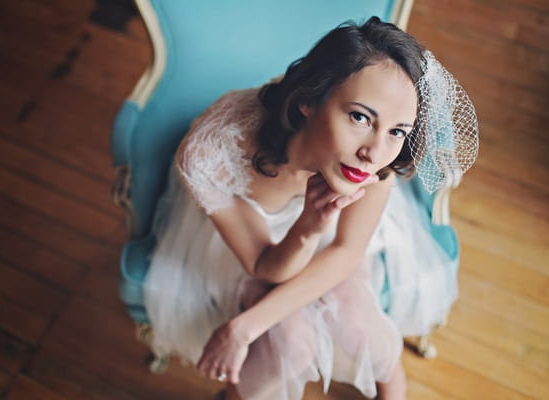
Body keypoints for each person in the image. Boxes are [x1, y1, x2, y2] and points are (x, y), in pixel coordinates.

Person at [144, 16, 478, 400]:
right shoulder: (213, 153)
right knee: (291, 344)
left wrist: (244, 328)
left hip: (339, 243)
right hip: (249, 247)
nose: (373, 153)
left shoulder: (375, 158)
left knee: (359, 322)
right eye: (359, 117)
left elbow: (347, 250)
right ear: (308, 100)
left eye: (397, 131)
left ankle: (391, 388)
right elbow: (263, 265)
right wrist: (309, 226)